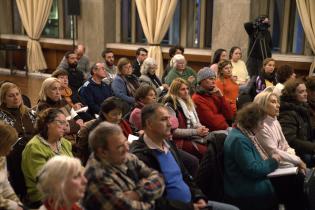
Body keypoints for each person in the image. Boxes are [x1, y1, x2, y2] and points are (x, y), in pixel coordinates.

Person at [130, 103, 239, 210]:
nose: (170, 124)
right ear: (149, 124)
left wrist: (198, 196)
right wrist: (190, 207)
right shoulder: (140, 156)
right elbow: (154, 201)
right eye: (164, 119)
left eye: (169, 119)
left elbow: (185, 175)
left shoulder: (168, 143)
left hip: (192, 203)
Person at [82, 121, 165, 210]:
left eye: (125, 142)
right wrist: (151, 197)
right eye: (119, 147)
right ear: (103, 152)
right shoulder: (96, 178)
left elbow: (159, 178)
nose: (127, 148)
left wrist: (137, 194)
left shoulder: (124, 156)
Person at [254, 90, 308, 210]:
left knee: (305, 180)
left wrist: (292, 158)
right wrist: (297, 160)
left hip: (283, 164)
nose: (278, 105)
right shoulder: (261, 126)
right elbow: (274, 152)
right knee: (299, 182)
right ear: (262, 105)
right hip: (273, 169)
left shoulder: (274, 120)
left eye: (278, 102)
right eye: (273, 102)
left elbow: (285, 145)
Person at [224, 103, 280, 210]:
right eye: (261, 122)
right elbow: (253, 170)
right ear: (252, 122)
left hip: (247, 184)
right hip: (244, 190)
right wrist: (273, 161)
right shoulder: (239, 140)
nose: (263, 126)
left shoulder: (244, 134)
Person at [22, 108, 73, 208]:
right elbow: (44, 181)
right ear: (48, 123)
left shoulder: (64, 143)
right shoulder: (34, 147)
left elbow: (75, 168)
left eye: (66, 123)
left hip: (66, 189)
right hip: (44, 197)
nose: (65, 127)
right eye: (61, 122)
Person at [0, 82, 36, 198]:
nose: (16, 98)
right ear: (4, 99)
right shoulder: (1, 116)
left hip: (33, 146)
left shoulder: (29, 112)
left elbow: (40, 130)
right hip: (12, 150)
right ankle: (23, 192)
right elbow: (6, 140)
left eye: (17, 94)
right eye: (11, 96)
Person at [77, 96, 133, 165]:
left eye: (119, 114)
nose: (118, 117)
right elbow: (96, 154)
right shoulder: (98, 131)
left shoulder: (121, 122)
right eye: (114, 114)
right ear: (104, 114)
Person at [164, 78, 210, 159]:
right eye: (183, 89)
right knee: (206, 153)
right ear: (175, 91)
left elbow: (196, 123)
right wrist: (196, 132)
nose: (186, 92)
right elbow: (173, 131)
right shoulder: (170, 105)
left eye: (187, 89)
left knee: (215, 145)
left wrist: (201, 128)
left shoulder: (188, 102)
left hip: (190, 137)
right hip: (178, 141)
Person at [278, 79, 315, 167]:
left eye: (305, 91)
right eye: (301, 92)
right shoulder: (287, 113)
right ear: (292, 95)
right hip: (298, 154)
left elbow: (309, 132)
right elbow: (291, 141)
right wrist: (313, 148)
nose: (306, 94)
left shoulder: (303, 107)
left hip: (307, 148)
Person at [36, 77, 83, 145]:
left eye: (59, 89)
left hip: (73, 138)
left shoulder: (63, 101)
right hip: (57, 142)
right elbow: (59, 129)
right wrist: (77, 126)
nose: (58, 92)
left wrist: (71, 124)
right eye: (54, 89)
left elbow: (77, 118)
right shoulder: (43, 106)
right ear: (46, 90)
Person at [192, 67, 234, 131]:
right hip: (211, 132)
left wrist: (221, 97)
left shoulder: (214, 94)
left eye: (215, 79)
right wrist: (224, 119)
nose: (214, 82)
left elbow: (230, 115)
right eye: (211, 79)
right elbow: (214, 123)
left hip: (224, 127)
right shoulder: (197, 98)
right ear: (202, 81)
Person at [0, 122, 24, 210]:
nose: (11, 148)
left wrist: (19, 203)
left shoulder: (2, 157)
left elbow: (5, 185)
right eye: (10, 145)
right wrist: (14, 206)